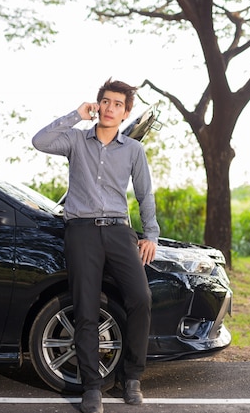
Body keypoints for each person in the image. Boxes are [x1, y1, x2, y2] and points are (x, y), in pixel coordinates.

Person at [32, 78, 159, 413]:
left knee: (141, 298)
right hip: (82, 231)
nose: (110, 108)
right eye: (105, 101)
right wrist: (76, 114)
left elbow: (145, 194)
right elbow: (40, 140)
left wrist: (151, 235)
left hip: (119, 231)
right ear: (97, 105)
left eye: (118, 104)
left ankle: (131, 378)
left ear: (125, 112)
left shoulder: (133, 150)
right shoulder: (75, 140)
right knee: (85, 307)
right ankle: (91, 388)